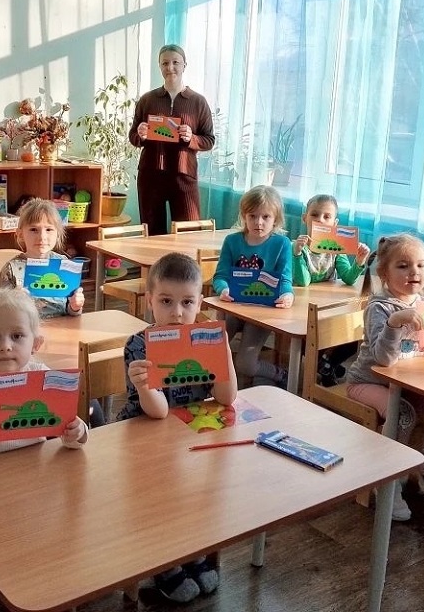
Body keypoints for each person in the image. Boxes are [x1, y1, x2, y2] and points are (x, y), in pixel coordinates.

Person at [0, 287, 88, 612]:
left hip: (36, 481)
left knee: (48, 522)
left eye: (17, 336)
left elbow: (70, 438)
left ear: (35, 344)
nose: (6, 346)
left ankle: (46, 575)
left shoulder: (43, 376)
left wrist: (77, 431)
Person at [116, 252, 236, 603]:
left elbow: (226, 398)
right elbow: (157, 413)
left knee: (199, 491)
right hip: (144, 430)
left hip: (188, 431)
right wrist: (144, 385)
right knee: (159, 494)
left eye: (187, 302)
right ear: (150, 300)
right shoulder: (139, 344)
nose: (178, 312)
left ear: (200, 303)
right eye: (166, 301)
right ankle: (164, 562)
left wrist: (224, 351)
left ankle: (191, 552)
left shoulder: (203, 338)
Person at [345, 233, 424, 521]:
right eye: (403, 266)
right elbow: (384, 360)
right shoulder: (380, 308)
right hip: (368, 382)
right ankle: (389, 479)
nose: (414, 272)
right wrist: (394, 324)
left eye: (420, 265)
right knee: (402, 413)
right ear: (384, 273)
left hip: (410, 384)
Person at [210, 185, 294, 388]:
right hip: (233, 308)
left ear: (276, 219)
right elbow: (220, 276)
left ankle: (279, 374)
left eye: (266, 217)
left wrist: (287, 295)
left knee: (245, 364)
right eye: (253, 216)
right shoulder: (232, 241)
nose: (259, 222)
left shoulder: (282, 244)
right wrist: (223, 289)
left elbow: (285, 279)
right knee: (212, 348)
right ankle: (211, 386)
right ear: (244, 216)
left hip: (260, 312)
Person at [128, 44, 215, 235]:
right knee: (152, 233)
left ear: (184, 65)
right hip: (151, 176)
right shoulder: (147, 100)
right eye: (165, 63)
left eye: (175, 62)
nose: (170, 67)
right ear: (159, 66)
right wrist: (140, 135)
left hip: (184, 175)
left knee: (189, 232)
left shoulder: (198, 102)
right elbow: (133, 136)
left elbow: (209, 140)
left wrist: (191, 138)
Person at [293, 193, 372, 386]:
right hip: (303, 308)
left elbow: (348, 278)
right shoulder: (296, 246)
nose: (320, 220)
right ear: (305, 218)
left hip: (328, 306)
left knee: (356, 332)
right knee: (311, 336)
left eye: (326, 217)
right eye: (314, 215)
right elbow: (303, 281)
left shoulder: (336, 248)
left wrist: (359, 262)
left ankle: (327, 363)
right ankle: (324, 365)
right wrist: (297, 254)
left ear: (334, 223)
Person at [0, 198, 84, 319]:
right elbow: (2, 313)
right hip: (24, 327)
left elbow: (71, 311)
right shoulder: (11, 269)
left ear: (58, 234)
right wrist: (14, 303)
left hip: (61, 327)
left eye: (49, 229)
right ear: (20, 234)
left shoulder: (64, 264)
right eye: (34, 230)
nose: (42, 237)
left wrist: (75, 307)